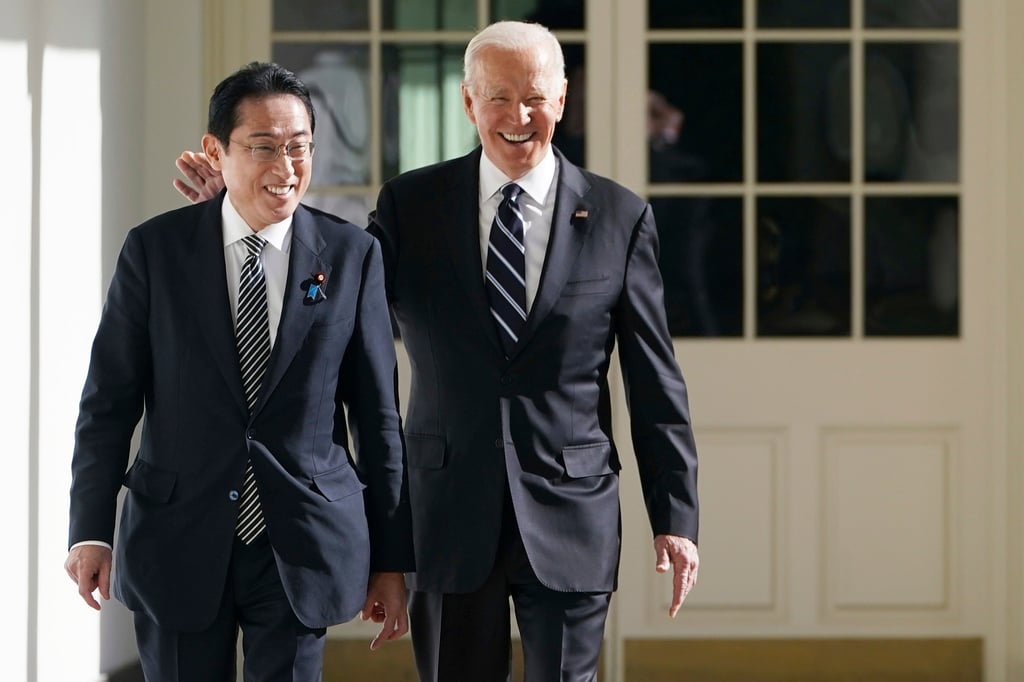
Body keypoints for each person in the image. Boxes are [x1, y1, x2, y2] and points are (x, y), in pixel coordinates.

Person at [175, 21, 700, 682]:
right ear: (467, 103)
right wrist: (235, 210)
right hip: (445, 510)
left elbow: (655, 383)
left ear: (563, 100)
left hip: (572, 513)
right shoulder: (412, 204)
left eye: (535, 97)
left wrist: (675, 517)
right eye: (499, 98)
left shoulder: (620, 217)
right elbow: (325, 288)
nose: (519, 116)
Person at [66, 61, 413, 681]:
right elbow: (108, 400)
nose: (286, 169)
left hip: (301, 543)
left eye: (299, 148)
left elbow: (378, 419)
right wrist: (89, 529)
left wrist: (391, 558)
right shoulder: (156, 252)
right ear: (215, 151)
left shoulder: (353, 255)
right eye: (263, 148)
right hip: (176, 536)